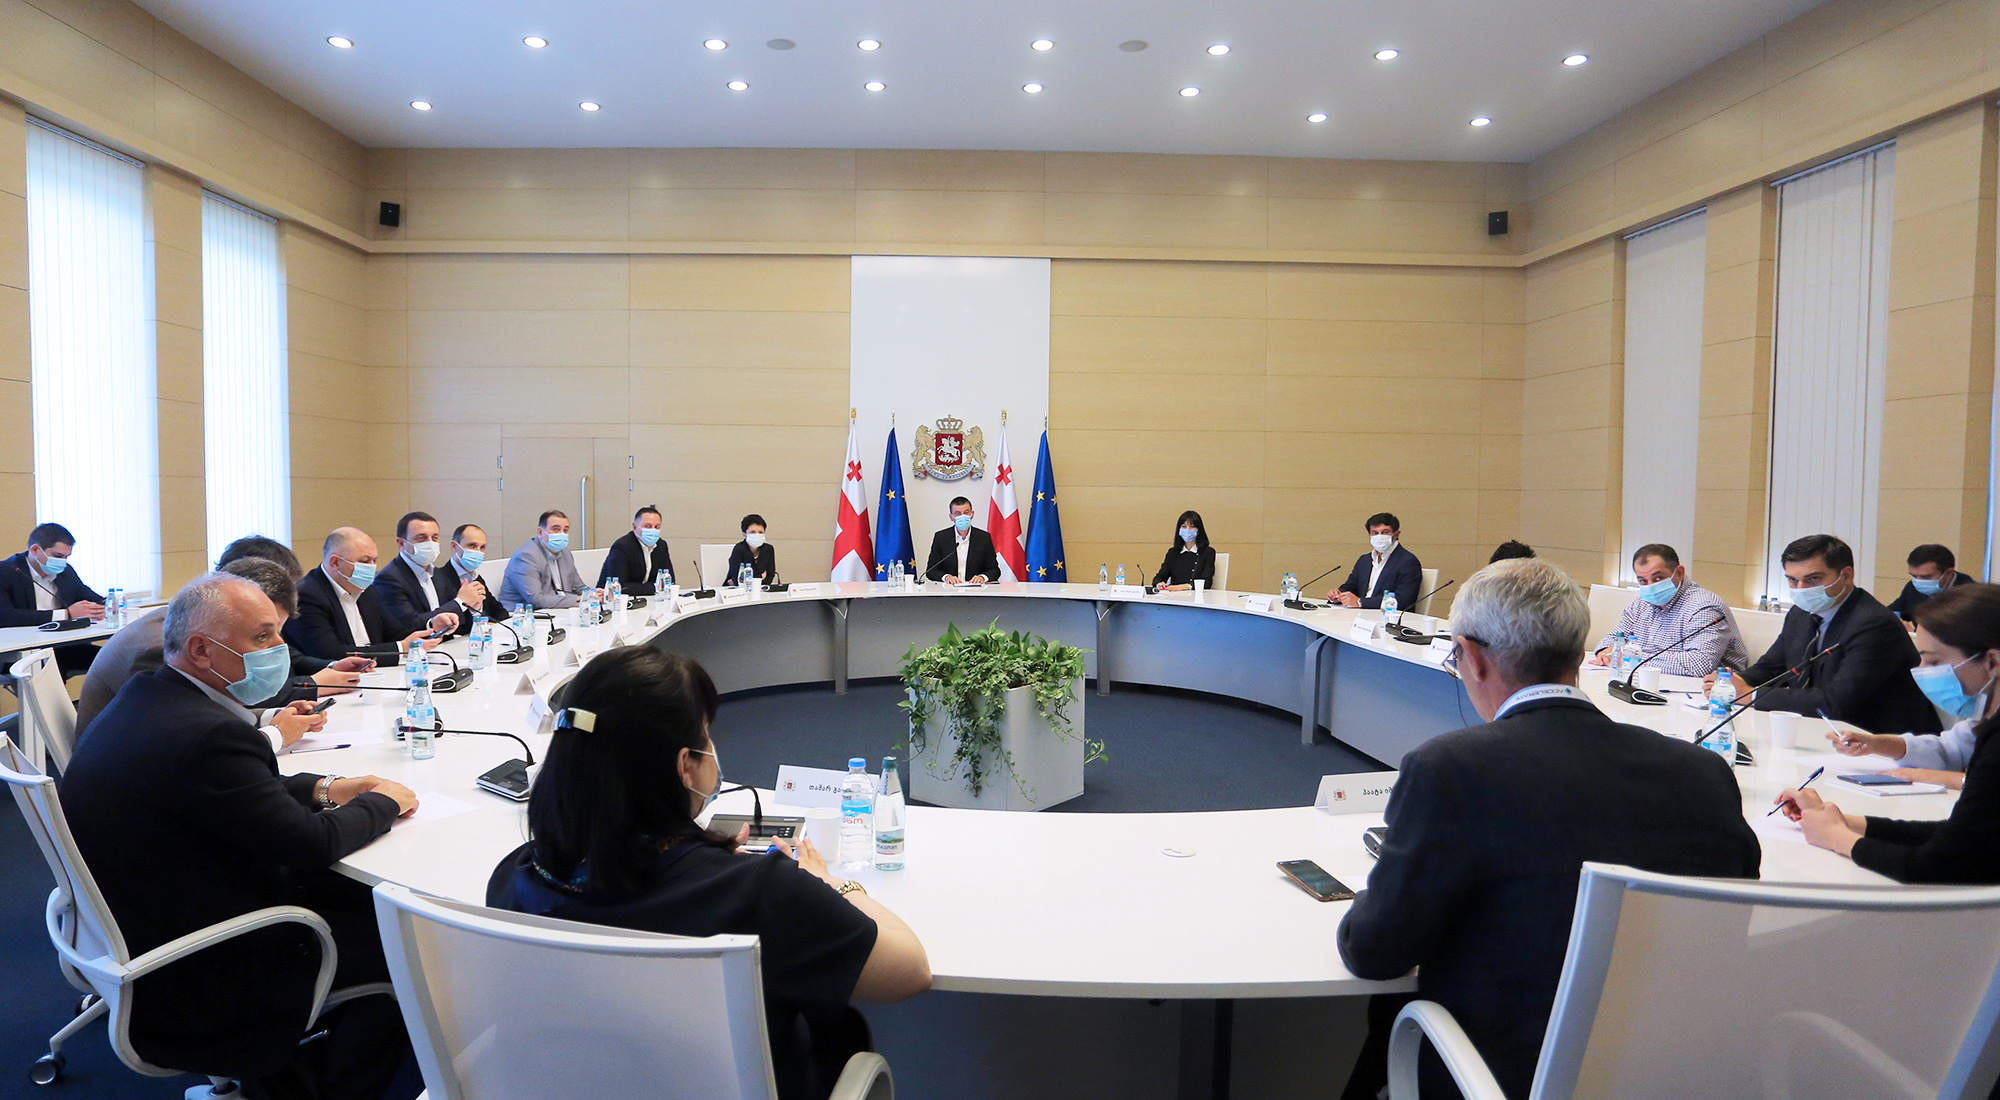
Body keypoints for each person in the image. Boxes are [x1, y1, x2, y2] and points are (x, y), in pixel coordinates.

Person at [1336, 558, 1759, 1100]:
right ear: (1579, 655)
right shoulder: (1704, 771)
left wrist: (1373, 891)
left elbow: (1375, 952)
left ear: (1471, 657)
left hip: (1507, 1073)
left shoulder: (1450, 769)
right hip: (1674, 1070)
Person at [487, 647, 930, 1100]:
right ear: (685, 766)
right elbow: (910, 970)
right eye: (706, 734)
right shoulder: (762, 893)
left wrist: (705, 860)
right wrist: (835, 885)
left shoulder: (516, 878)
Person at [58, 573, 419, 1096]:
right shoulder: (208, 733)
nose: (280, 648)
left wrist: (327, 787)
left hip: (142, 917)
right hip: (203, 966)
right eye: (263, 636)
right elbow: (312, 845)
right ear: (202, 650)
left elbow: (234, 788)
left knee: (360, 899)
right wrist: (384, 802)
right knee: (401, 939)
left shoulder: (154, 695)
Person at [1776, 582, 2000, 883]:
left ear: (1992, 662)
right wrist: (1843, 823)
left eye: (1934, 661)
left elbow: (1937, 866)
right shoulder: (1987, 725)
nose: (1922, 669)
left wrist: (1839, 838)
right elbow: (1957, 836)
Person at [79, 557, 337, 742]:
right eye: (263, 634)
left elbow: (208, 710)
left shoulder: (186, 621)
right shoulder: (162, 649)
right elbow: (187, 734)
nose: (279, 644)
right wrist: (276, 735)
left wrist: (273, 716)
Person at [1732, 534, 1941, 734]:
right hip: (1821, 732)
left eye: (1813, 578)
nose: (1801, 589)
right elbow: (1772, 667)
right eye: (1793, 580)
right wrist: (1729, 682)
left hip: (1884, 740)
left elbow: (1836, 703)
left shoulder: (1874, 624)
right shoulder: (1800, 614)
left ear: (1846, 575)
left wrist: (1751, 695)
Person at [214, 534, 373, 696]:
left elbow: (291, 658)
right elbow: (246, 691)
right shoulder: (222, 626)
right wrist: (313, 684)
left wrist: (332, 667)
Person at [285, 527, 445, 662]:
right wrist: (400, 649)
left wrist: (431, 627)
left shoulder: (367, 591)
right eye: (364, 561)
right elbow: (331, 653)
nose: (371, 567)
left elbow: (394, 632)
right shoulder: (306, 596)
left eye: (374, 561)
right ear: (335, 563)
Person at [1588, 543, 1749, 676]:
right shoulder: (1641, 604)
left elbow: (1699, 665)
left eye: (1658, 578)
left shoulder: (1704, 607)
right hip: (1653, 682)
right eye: (1643, 581)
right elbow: (1613, 639)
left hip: (1710, 693)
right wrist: (1605, 653)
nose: (1651, 586)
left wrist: (1630, 656)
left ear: (1679, 573)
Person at [0, 522, 107, 676]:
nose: (63, 562)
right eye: (58, 556)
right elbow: (6, 616)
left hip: (63, 646)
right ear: (35, 550)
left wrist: (106, 605)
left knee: (115, 658)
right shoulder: (6, 571)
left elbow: (91, 598)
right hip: (21, 652)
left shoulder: (65, 572)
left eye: (66, 557)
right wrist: (66, 614)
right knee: (51, 668)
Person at [376, 511, 494, 636]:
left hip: (445, 644)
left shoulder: (438, 574)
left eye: (435, 538)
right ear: (401, 543)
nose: (430, 543)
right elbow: (409, 624)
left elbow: (461, 623)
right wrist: (460, 602)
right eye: (421, 538)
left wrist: (474, 607)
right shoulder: (388, 578)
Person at [1331, 512, 1421, 610]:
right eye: (1375, 533)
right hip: (1360, 613)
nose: (1379, 537)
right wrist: (1338, 595)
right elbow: (1351, 587)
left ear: (1396, 534)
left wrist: (1360, 602)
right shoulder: (1364, 560)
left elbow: (1404, 600)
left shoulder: (1408, 562)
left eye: (1385, 532)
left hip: (1387, 615)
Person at [500, 509, 583, 609]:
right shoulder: (525, 557)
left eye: (565, 530)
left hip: (557, 609)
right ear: (540, 532)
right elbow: (536, 600)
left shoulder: (565, 553)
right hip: (523, 614)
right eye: (556, 529)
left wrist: (593, 594)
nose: (562, 534)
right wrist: (576, 600)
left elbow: (578, 587)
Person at [1886, 543, 1977, 625]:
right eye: (1914, 576)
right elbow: (1892, 613)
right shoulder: (1912, 587)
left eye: (1926, 577)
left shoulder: (1971, 595)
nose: (1919, 581)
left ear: (1949, 573)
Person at [438, 522, 508, 626]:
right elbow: (450, 622)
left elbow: (500, 612)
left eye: (482, 547)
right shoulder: (440, 578)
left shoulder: (476, 578)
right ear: (454, 546)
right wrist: (484, 623)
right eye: (472, 545)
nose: (478, 552)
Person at [599, 505, 675, 594]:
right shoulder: (622, 546)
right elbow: (619, 586)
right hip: (614, 598)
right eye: (648, 526)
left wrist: (658, 587)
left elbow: (669, 580)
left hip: (649, 598)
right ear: (635, 527)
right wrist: (655, 587)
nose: (653, 530)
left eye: (657, 527)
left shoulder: (661, 545)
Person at [923, 497, 999, 584]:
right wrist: (947, 577)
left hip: (975, 589)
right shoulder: (941, 538)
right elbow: (931, 571)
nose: (963, 516)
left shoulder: (984, 538)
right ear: (951, 517)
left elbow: (994, 570)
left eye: (966, 512)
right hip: (949, 589)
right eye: (957, 513)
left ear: (972, 514)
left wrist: (982, 577)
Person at [1151, 510, 1216, 591]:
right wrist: (1159, 583)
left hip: (1195, 596)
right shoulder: (1173, 553)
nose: (1188, 530)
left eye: (1192, 526)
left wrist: (1184, 587)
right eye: (1184, 526)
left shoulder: (1208, 552)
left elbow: (1207, 582)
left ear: (1199, 530)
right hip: (1173, 595)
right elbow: (1160, 576)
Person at [726, 514, 778, 587]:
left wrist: (754, 578)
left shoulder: (768, 549)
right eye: (753, 532)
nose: (757, 535)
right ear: (744, 534)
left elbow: (770, 576)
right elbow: (737, 579)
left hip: (761, 590)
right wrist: (760, 576)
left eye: (760, 532)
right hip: (738, 590)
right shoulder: (739, 549)